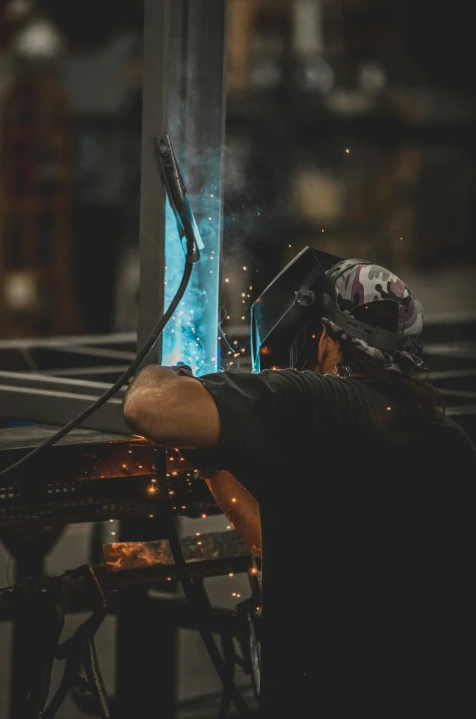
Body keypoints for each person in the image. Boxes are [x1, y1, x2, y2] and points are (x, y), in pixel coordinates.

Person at [123, 254, 476, 718]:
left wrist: (164, 375)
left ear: (327, 335)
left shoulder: (311, 399)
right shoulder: (446, 439)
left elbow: (151, 411)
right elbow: (291, 544)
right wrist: (215, 465)